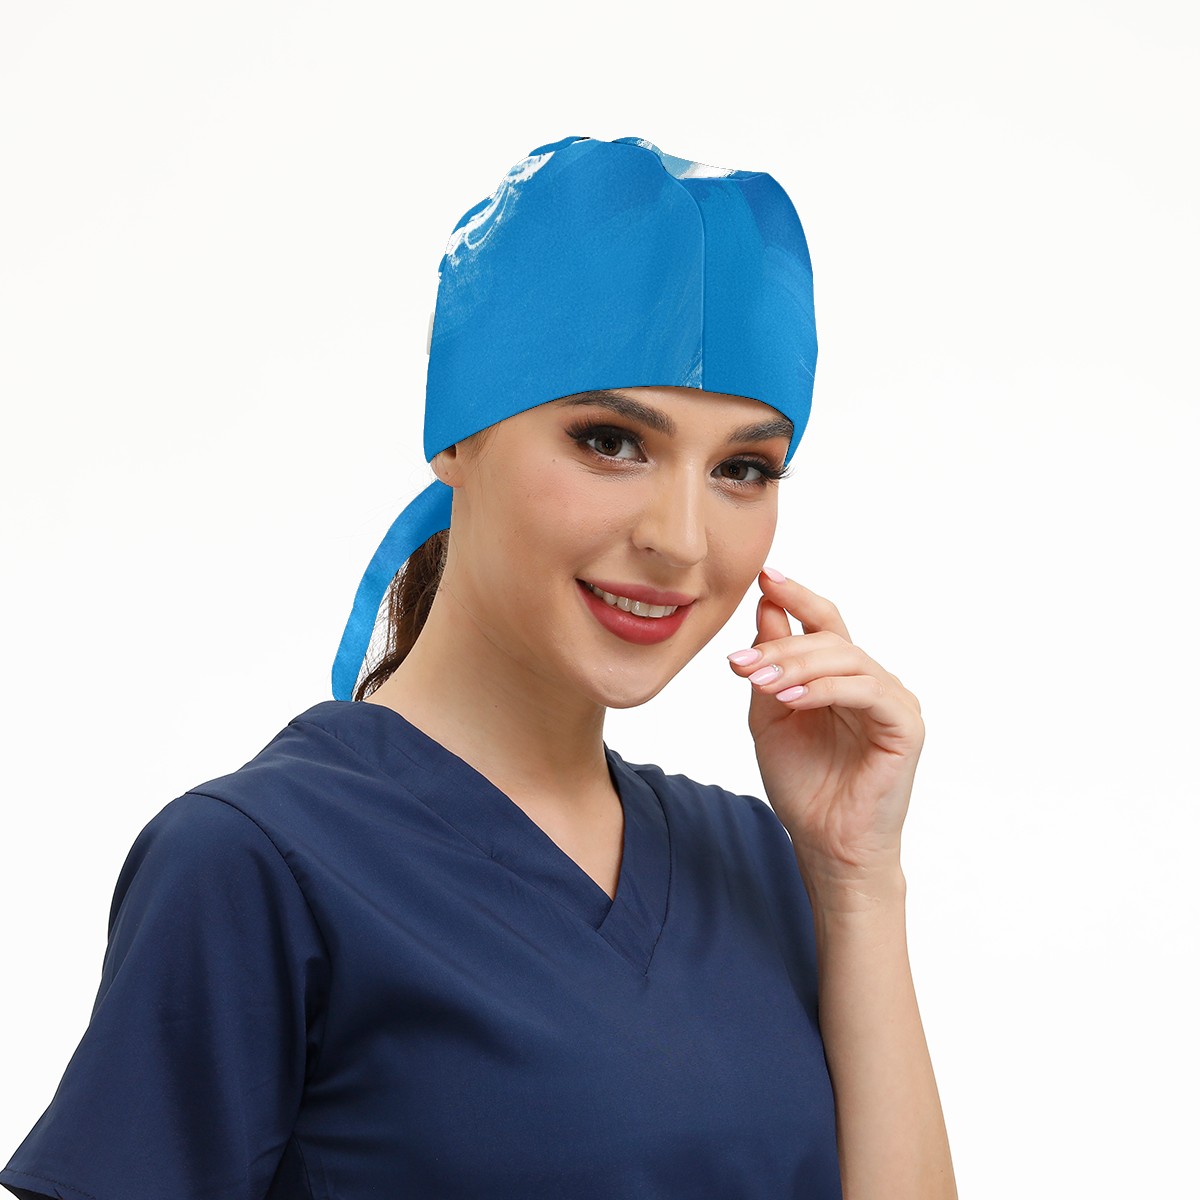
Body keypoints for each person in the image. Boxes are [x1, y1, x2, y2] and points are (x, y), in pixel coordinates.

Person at [1, 135, 956, 1200]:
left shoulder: (752, 859)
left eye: (742, 468)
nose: (682, 540)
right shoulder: (254, 865)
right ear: (458, 435)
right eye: (610, 442)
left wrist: (856, 878)